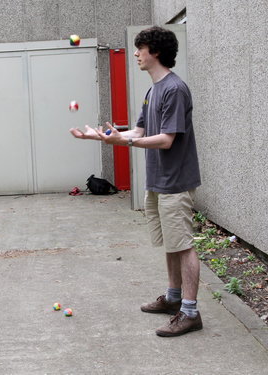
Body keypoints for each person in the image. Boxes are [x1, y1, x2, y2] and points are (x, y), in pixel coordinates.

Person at [70, 26, 202, 337]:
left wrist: (122, 142)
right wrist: (101, 137)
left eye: (140, 48)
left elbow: (167, 140)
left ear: (155, 51)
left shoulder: (175, 89)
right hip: (157, 181)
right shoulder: (152, 90)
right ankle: (173, 299)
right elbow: (139, 133)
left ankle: (191, 312)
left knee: (182, 245)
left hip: (176, 182)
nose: (136, 54)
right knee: (171, 243)